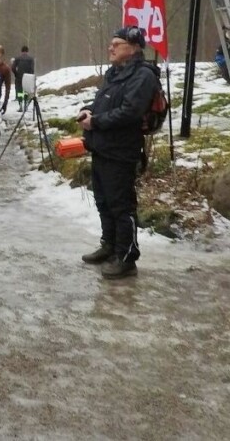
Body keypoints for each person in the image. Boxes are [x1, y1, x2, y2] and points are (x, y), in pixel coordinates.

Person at [78, 27, 158, 280]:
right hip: (102, 148)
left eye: (116, 44)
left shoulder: (143, 76)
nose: (110, 48)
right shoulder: (115, 73)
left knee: (121, 206)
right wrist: (88, 110)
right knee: (104, 202)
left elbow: (129, 112)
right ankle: (109, 245)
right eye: (111, 43)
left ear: (133, 47)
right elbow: (105, 102)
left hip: (121, 151)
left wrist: (96, 121)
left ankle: (126, 257)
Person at [11, 45, 35, 111]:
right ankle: (26, 104)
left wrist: (16, 74)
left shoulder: (17, 58)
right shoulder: (31, 59)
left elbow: (13, 68)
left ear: (21, 51)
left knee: (19, 91)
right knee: (26, 91)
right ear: (27, 51)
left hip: (19, 77)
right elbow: (32, 69)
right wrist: (31, 76)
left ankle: (20, 105)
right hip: (27, 78)